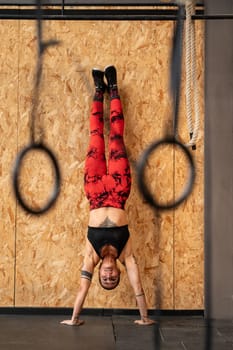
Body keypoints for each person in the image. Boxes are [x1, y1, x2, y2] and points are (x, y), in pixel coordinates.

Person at [61, 65, 155, 326]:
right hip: (118, 187)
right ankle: (112, 87)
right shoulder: (127, 254)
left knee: (95, 136)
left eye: (106, 279)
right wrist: (144, 318)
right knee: (115, 135)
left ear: (100, 273)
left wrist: (74, 319)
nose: (110, 276)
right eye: (114, 279)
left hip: (94, 190)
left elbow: (82, 290)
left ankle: (97, 91)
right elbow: (137, 286)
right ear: (118, 274)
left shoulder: (91, 255)